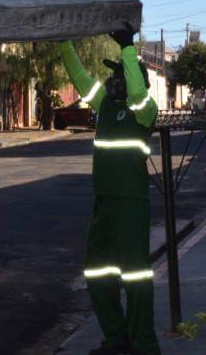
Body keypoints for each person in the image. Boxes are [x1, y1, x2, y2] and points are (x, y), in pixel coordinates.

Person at [59, 24, 161, 355]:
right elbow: (80, 78)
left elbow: (134, 91)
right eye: (113, 76)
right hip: (103, 202)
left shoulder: (145, 110)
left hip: (132, 202)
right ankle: (116, 337)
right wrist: (64, 43)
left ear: (137, 81)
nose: (113, 80)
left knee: (135, 276)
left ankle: (143, 344)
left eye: (120, 75)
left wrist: (128, 49)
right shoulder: (103, 105)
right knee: (96, 271)